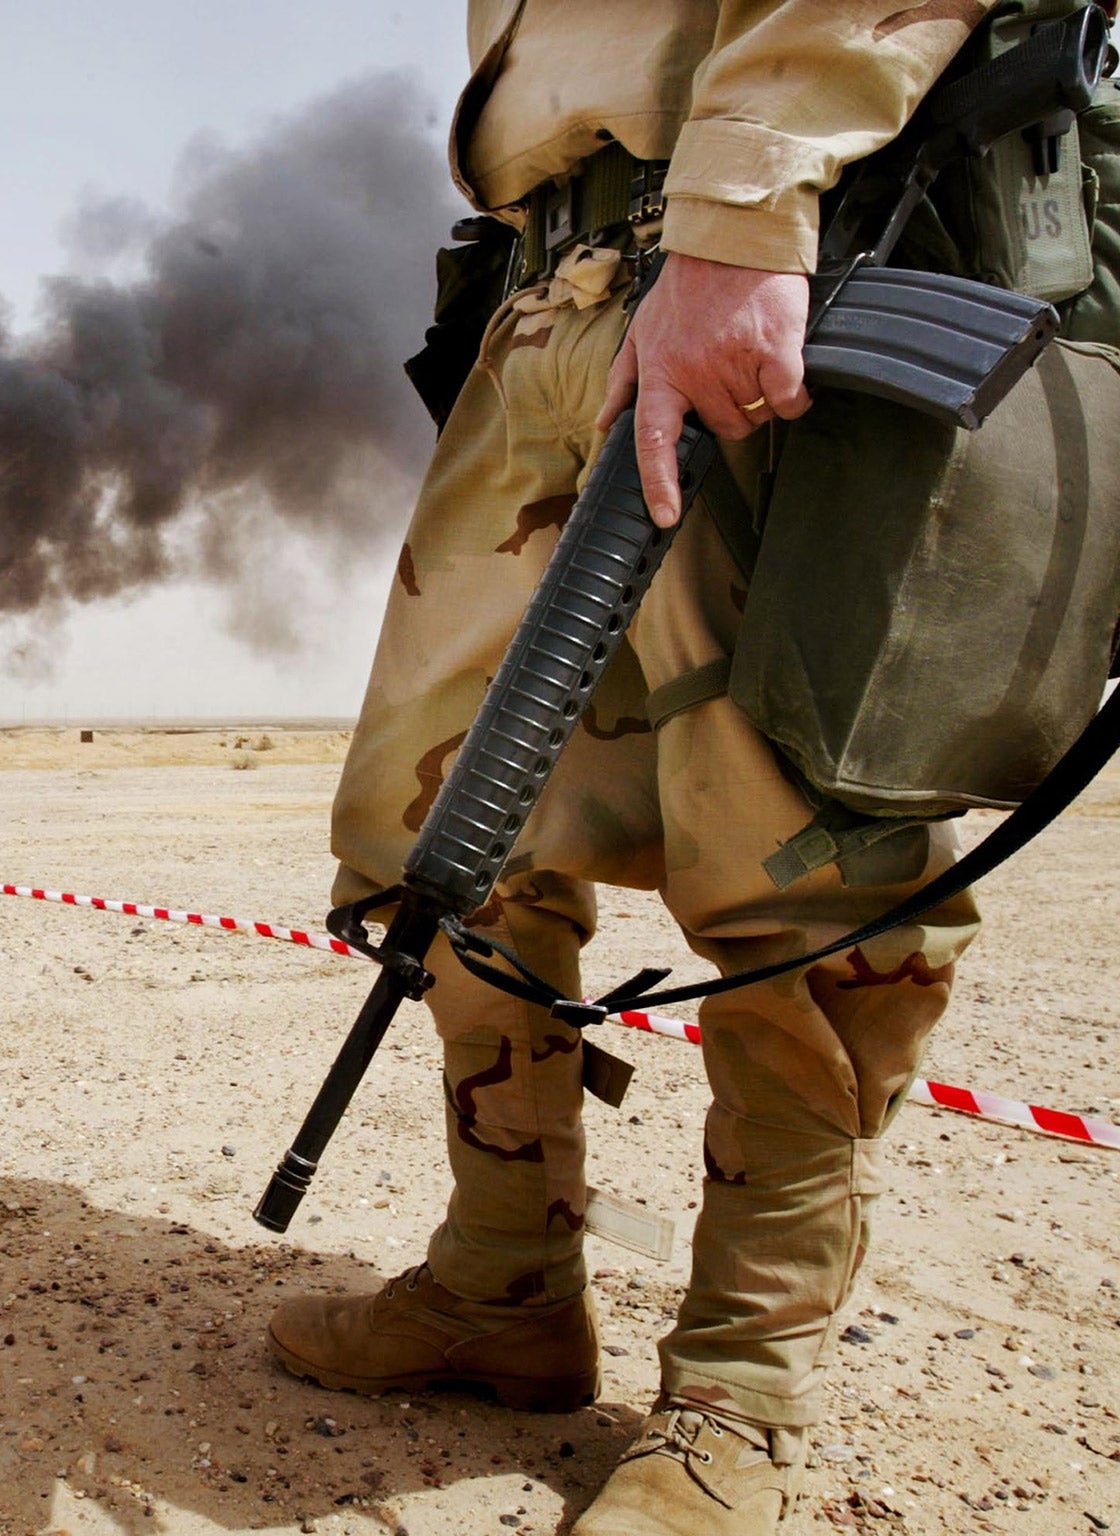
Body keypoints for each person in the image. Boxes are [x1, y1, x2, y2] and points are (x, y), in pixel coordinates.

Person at [267, 6, 1004, 1533]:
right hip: (549, 295)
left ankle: (741, 1395)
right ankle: (503, 1287)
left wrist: (745, 210)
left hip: (771, 257)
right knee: (443, 833)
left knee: (796, 871)